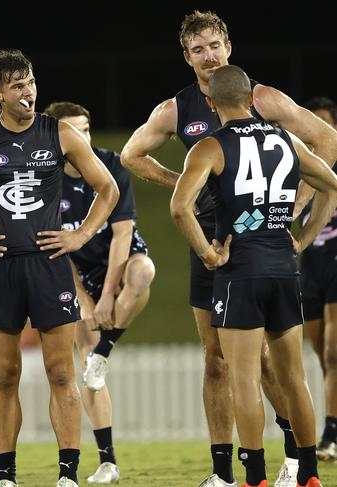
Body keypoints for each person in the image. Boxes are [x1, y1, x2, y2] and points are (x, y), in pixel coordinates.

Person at [121, 11, 337, 487]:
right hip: (221, 243)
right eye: (199, 49)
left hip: (237, 252)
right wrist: (184, 181)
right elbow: (132, 155)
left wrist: (288, 211)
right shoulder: (176, 109)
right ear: (187, 57)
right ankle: (224, 472)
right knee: (216, 359)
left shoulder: (262, 97)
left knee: (258, 365)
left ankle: (281, 463)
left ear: (229, 47)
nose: (209, 55)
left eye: (215, 45)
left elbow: (326, 140)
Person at [0, 49, 119, 487]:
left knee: (62, 371)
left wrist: (80, 235)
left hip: (49, 266)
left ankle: (67, 474)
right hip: (0, 267)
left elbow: (107, 187)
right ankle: (6, 477)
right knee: (4, 374)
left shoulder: (60, 132)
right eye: (17, 85)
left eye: (30, 82)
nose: (27, 91)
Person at [171, 64, 337, 487]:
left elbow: (179, 207)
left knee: (244, 378)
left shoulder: (208, 147)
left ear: (210, 103)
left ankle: (256, 477)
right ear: (251, 99)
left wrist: (208, 254)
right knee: (294, 377)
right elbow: (332, 184)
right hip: (284, 268)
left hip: (239, 272)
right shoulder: (286, 139)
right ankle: (310, 475)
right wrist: (302, 238)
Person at [44, 101, 155, 484]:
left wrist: (107, 295)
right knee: (87, 363)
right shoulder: (47, 179)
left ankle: (106, 349)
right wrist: (85, 299)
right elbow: (58, 248)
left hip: (118, 264)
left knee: (144, 272)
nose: (82, 138)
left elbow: (122, 234)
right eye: (73, 131)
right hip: (74, 273)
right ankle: (108, 460)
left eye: (87, 129)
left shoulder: (111, 166)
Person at [297, 97, 337, 461]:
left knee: (333, 351)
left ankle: (331, 435)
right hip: (310, 265)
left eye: (325, 126)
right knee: (323, 358)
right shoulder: (296, 164)